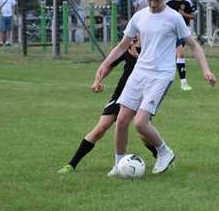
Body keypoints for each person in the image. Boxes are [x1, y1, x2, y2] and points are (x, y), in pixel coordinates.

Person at [96, 0, 216, 176]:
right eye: (150, 1)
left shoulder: (174, 18)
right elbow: (122, 45)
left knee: (141, 122)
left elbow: (194, 45)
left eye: (157, 1)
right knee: (123, 119)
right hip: (139, 72)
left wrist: (206, 70)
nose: (153, 5)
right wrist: (105, 64)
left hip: (161, 75)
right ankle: (118, 164)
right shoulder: (139, 16)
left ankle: (164, 151)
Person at [57, 37, 159, 174]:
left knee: (143, 134)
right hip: (121, 95)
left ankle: (161, 157)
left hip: (142, 96)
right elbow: (109, 65)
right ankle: (71, 165)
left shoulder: (152, 49)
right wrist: (98, 80)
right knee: (100, 128)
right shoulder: (125, 47)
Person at [165, 0, 196, 91]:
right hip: (169, 31)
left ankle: (183, 82)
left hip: (182, 31)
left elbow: (193, 16)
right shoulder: (167, 1)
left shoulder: (187, 1)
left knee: (180, 54)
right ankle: (169, 80)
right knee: (173, 55)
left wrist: (184, 14)